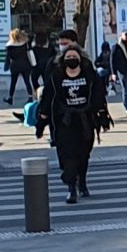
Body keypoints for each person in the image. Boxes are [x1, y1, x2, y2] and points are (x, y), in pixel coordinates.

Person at [40, 38, 105, 202]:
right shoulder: (56, 76)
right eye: (68, 57)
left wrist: (101, 113)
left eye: (73, 56)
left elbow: (98, 95)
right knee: (67, 154)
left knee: (83, 154)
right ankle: (71, 188)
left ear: (80, 58)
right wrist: (42, 117)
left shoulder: (89, 74)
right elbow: (48, 97)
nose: (71, 60)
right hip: (64, 121)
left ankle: (81, 182)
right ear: (63, 60)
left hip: (84, 121)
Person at [3, 26, 37, 107]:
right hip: (26, 64)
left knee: (13, 82)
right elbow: (31, 37)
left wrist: (6, 66)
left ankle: (10, 98)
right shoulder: (25, 43)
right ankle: (30, 97)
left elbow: (8, 57)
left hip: (15, 66)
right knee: (27, 81)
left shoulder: (9, 46)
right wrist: (23, 34)